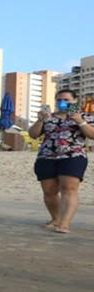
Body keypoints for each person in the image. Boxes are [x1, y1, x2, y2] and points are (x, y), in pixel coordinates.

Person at [29, 89, 92, 234]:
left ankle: (64, 223)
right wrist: (40, 120)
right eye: (59, 100)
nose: (62, 102)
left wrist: (80, 121)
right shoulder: (48, 117)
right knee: (49, 191)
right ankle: (55, 218)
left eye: (66, 100)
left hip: (73, 155)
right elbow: (33, 135)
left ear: (75, 101)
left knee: (69, 188)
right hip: (47, 156)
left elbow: (92, 135)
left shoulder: (84, 116)